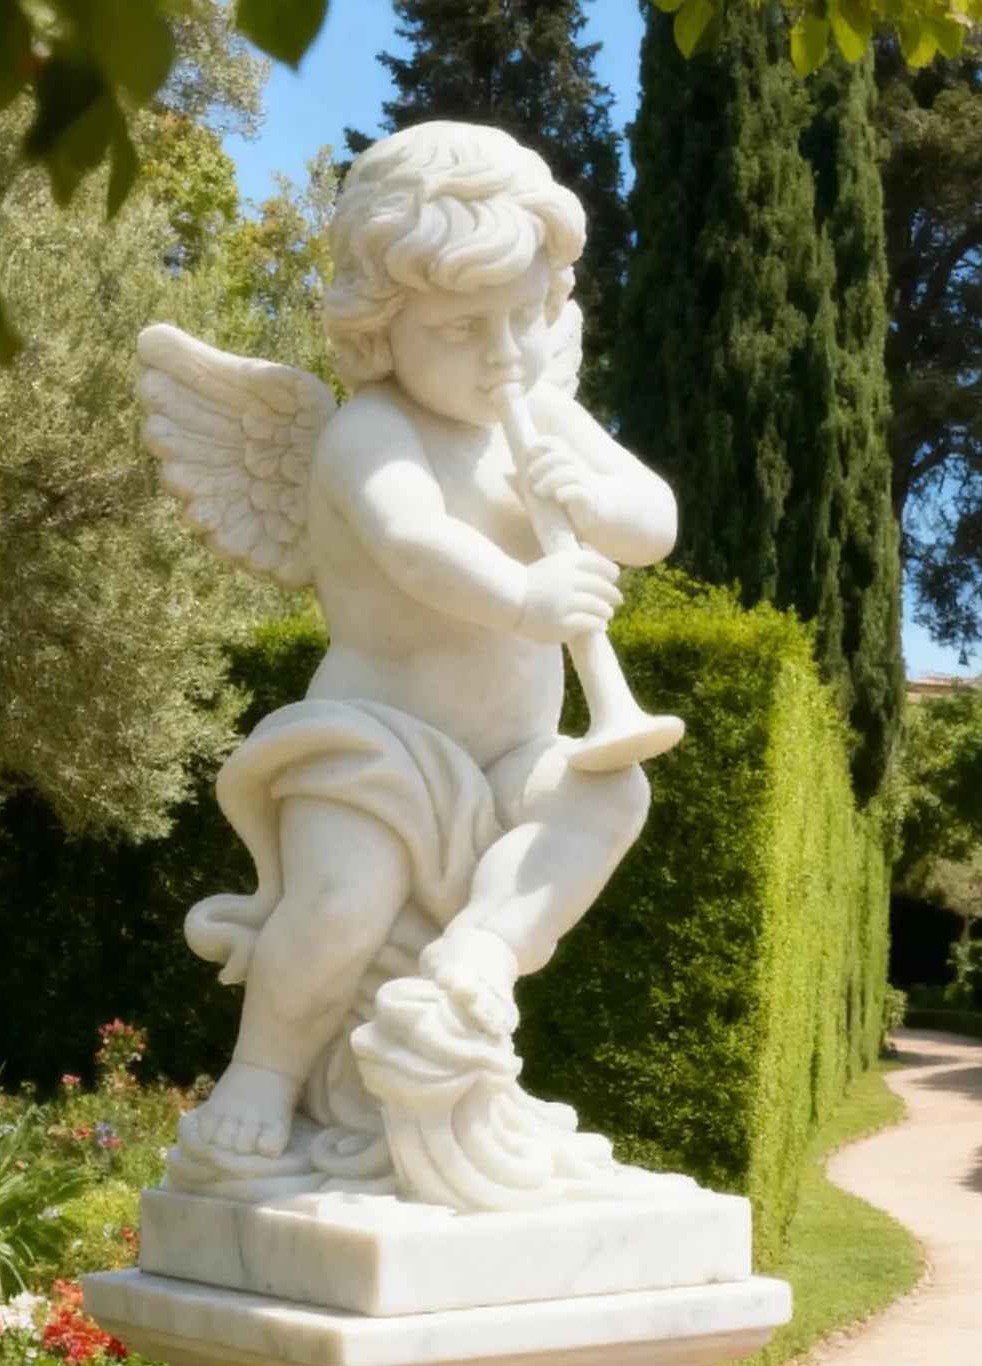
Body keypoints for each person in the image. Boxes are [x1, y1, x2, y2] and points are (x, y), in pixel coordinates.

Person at [176, 123, 679, 1178]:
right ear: (378, 330)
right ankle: (259, 1074)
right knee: (337, 909)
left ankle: (479, 958)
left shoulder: (535, 411)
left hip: (511, 756)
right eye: (461, 328)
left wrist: (597, 502)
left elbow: (654, 518)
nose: (502, 353)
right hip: (373, 750)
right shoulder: (368, 432)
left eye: (523, 317)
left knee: (608, 796)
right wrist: (527, 594)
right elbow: (413, 544)